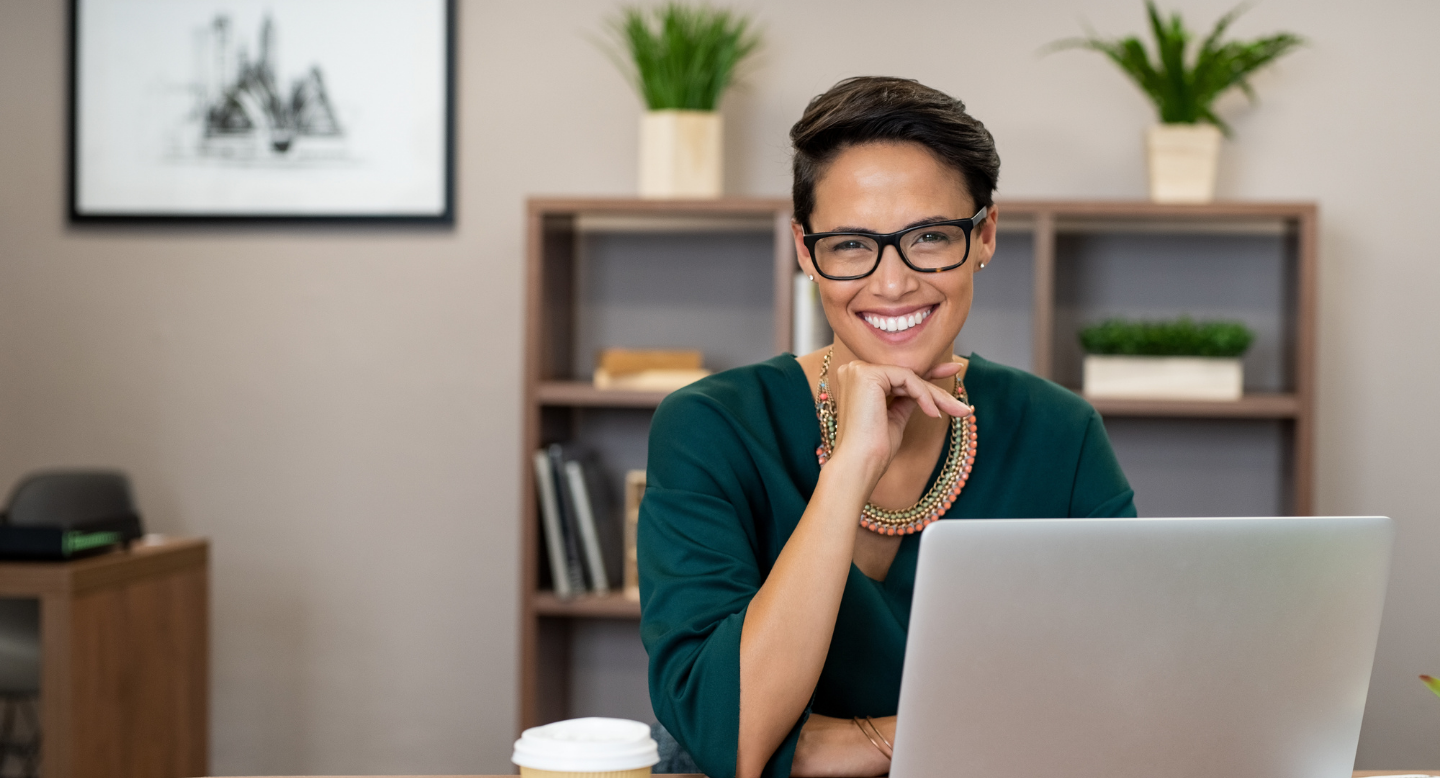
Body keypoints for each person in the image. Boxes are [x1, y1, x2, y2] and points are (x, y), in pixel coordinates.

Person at [638, 76, 1136, 778]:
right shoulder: (709, 426)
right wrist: (849, 469)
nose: (894, 282)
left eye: (930, 238)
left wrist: (838, 745)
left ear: (985, 235)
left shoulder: (1061, 432)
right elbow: (737, 736)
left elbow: (1116, 696)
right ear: (807, 253)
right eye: (850, 245)